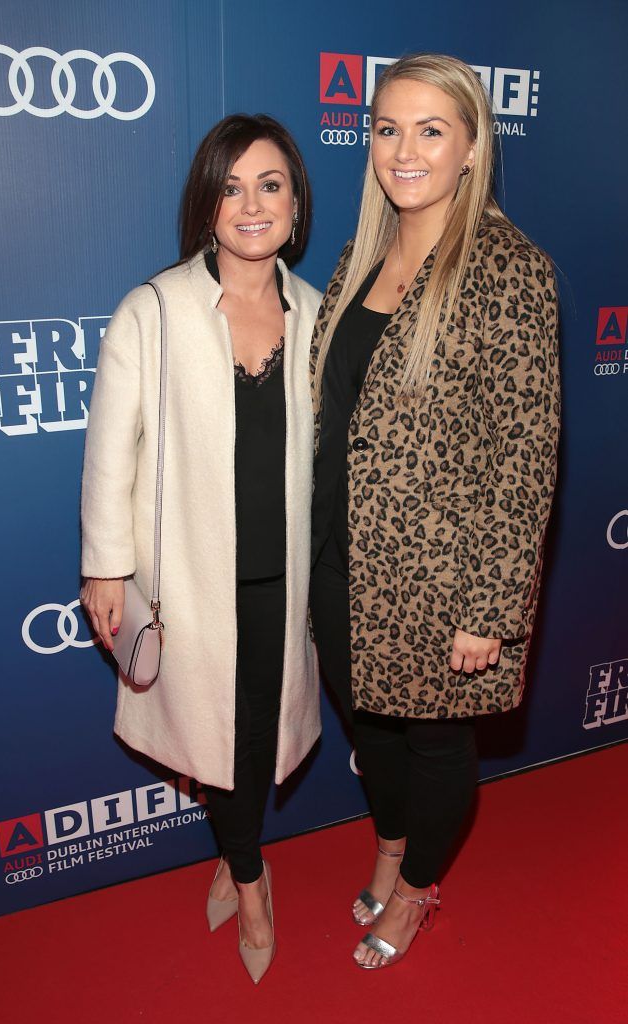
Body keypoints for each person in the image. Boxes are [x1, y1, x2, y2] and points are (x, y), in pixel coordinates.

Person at [309, 53, 560, 970]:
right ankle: (388, 843)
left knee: (434, 743)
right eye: (387, 128)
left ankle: (415, 888)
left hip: (441, 579)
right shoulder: (357, 255)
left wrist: (489, 611)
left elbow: (525, 458)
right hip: (340, 558)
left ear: (469, 148)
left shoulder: (509, 269)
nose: (403, 150)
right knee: (369, 728)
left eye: (429, 130)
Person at [80, 114, 321, 984]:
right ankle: (251, 880)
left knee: (255, 738)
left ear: (296, 202)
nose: (250, 205)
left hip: (284, 582)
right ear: (205, 203)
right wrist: (105, 566)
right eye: (230, 186)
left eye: (269, 185)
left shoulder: (317, 315)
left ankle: (233, 852)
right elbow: (112, 446)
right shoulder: (154, 309)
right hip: (189, 582)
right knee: (221, 736)